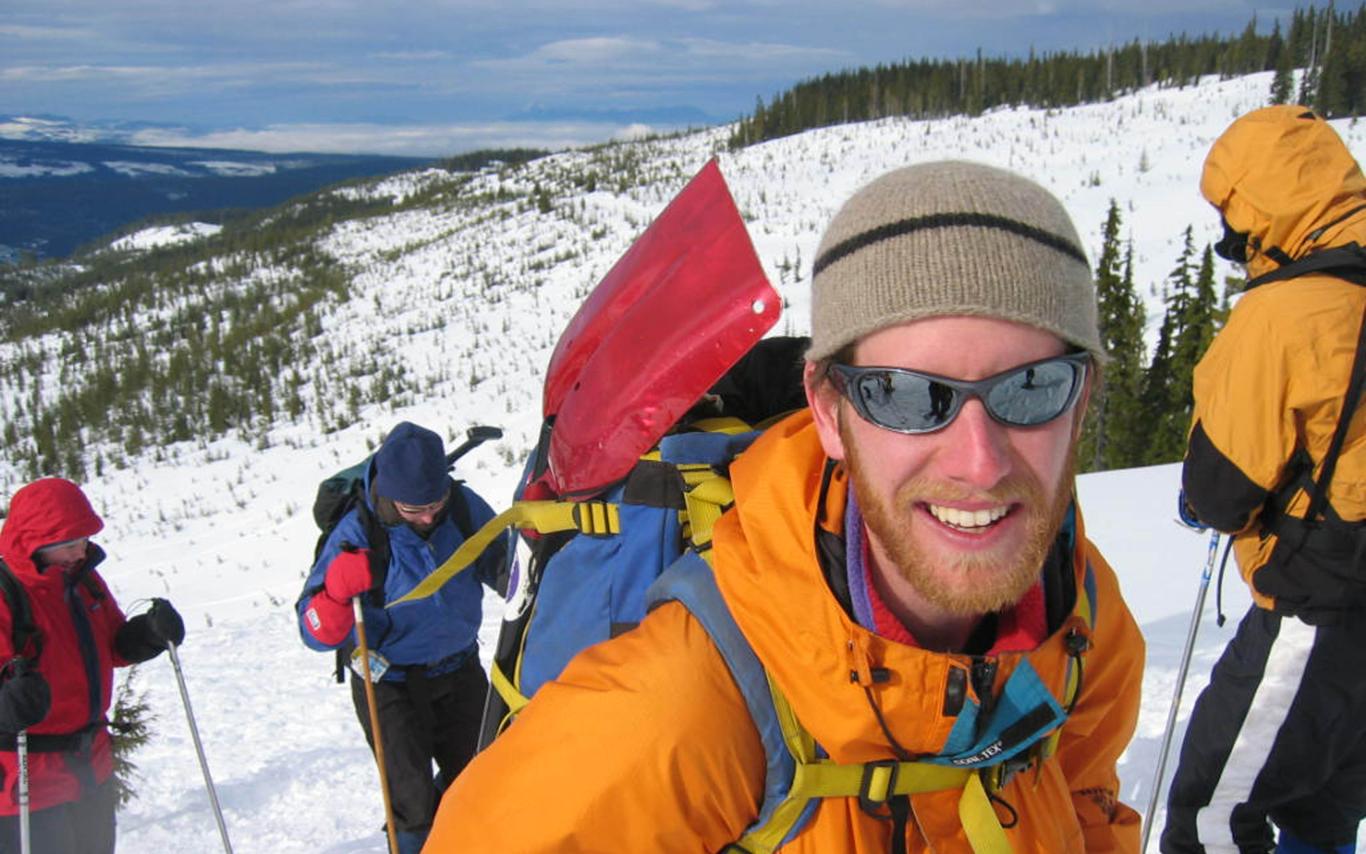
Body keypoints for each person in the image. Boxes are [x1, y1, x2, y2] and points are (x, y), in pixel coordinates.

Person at [425, 160, 1145, 851]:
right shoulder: (681, 712)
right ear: (830, 413)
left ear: (1080, 404)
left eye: (1031, 388)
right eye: (905, 395)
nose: (979, 462)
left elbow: (1084, 806)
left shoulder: (1084, 624)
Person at [1162, 107, 1366, 854]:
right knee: (1324, 811)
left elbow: (1221, 492)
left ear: (1257, 204)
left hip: (1315, 612)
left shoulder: (1287, 314)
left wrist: (1204, 497)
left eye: (1231, 216)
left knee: (1210, 815)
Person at [295, 421, 506, 854]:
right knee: (411, 805)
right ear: (390, 496)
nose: (429, 516)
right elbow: (313, 630)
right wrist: (335, 593)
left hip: (459, 668)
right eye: (414, 509)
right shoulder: (358, 533)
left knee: (481, 779)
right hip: (388, 684)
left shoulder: (461, 507)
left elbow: (505, 565)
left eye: (435, 503)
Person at [0, 477, 185, 853]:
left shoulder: (83, 581)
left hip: (90, 765)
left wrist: (148, 634)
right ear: (35, 542)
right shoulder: (6, 593)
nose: (80, 552)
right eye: (69, 544)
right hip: (25, 778)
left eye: (83, 540)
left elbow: (113, 646)